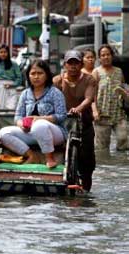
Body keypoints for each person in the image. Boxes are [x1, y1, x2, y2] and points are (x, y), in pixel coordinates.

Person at [0, 60, 67, 168]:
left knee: (39, 125)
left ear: (47, 75)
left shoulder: (55, 93)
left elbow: (62, 115)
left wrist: (40, 118)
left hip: (54, 133)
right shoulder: (25, 94)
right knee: (4, 133)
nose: (36, 77)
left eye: (40, 73)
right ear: (28, 76)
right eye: (33, 73)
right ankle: (31, 155)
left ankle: (49, 158)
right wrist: (21, 123)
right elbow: (18, 116)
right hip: (30, 132)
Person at [53, 50, 96, 192]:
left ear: (81, 64)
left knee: (87, 161)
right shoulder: (57, 81)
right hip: (63, 123)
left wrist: (78, 109)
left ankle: (86, 188)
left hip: (84, 124)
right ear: (65, 65)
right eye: (69, 63)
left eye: (76, 63)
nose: (73, 66)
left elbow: (89, 98)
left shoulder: (89, 79)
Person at [92, 44, 128, 152]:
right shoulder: (96, 72)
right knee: (102, 148)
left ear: (112, 56)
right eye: (103, 55)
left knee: (123, 140)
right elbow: (92, 94)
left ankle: (120, 166)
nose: (106, 57)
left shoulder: (119, 71)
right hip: (102, 114)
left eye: (108, 54)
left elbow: (124, 89)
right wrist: (95, 111)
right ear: (99, 58)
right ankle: (104, 167)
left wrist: (124, 93)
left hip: (118, 113)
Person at [0, 45, 22, 109]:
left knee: (12, 108)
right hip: (0, 89)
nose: (3, 54)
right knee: (0, 109)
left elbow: (19, 78)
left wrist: (13, 85)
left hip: (12, 88)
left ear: (8, 53)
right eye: (1, 52)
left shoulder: (14, 64)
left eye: (5, 52)